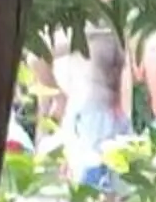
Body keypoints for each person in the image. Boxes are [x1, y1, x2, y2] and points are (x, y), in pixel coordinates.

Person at [54, 24, 134, 188]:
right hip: (86, 120)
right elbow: (37, 56)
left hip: (110, 121)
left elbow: (124, 79)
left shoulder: (117, 22)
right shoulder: (71, 25)